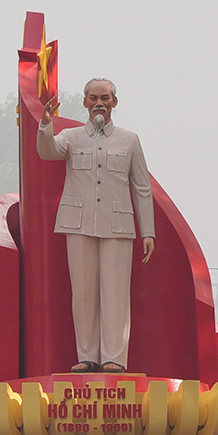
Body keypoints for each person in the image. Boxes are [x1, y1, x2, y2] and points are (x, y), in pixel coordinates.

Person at [36, 78, 155, 371]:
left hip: (117, 225)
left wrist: (148, 231)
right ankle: (87, 356)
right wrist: (46, 124)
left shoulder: (129, 140)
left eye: (104, 98)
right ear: (85, 102)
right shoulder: (71, 136)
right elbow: (47, 151)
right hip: (78, 223)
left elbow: (142, 187)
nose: (99, 103)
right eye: (93, 98)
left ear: (114, 102)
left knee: (115, 294)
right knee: (83, 294)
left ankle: (114, 358)